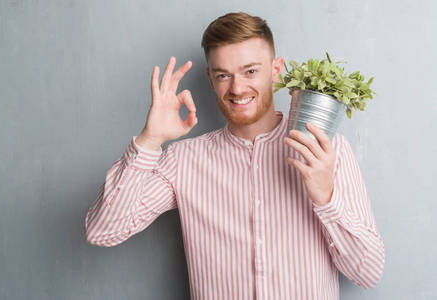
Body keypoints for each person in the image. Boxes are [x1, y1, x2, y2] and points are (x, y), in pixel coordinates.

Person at [85, 11, 385, 300]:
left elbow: (369, 273)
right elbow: (103, 231)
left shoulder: (325, 149)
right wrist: (150, 140)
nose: (237, 87)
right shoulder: (183, 161)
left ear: (276, 70)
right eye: (223, 75)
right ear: (211, 79)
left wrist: (325, 197)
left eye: (250, 71)